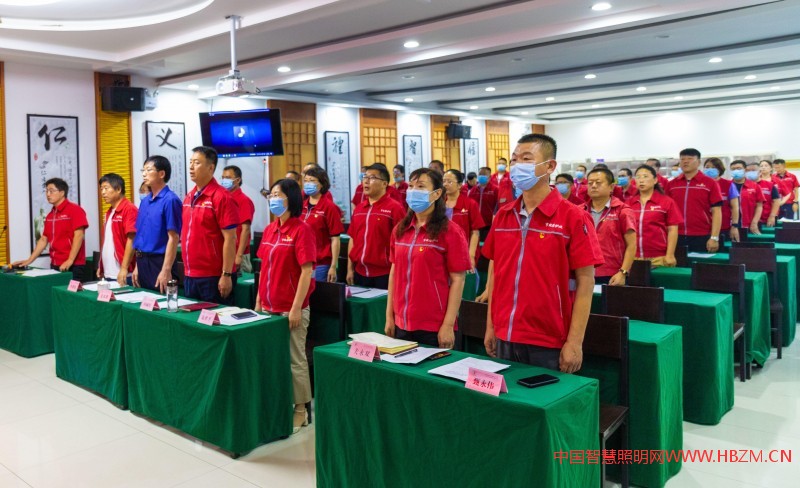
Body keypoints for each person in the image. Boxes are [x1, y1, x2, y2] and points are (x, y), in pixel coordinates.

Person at [483, 134, 603, 373]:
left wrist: (575, 342)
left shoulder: (573, 217)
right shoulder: (503, 216)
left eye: (527, 159)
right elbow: (496, 273)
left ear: (549, 166)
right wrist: (491, 325)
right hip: (505, 333)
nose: (517, 166)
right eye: (514, 160)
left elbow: (586, 281)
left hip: (548, 338)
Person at [254, 178, 316, 434]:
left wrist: (296, 307)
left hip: (290, 308)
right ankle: (278, 403)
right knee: (272, 358)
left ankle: (301, 410)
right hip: (268, 306)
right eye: (271, 194)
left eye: (278, 194)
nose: (273, 199)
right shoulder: (270, 229)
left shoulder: (302, 230)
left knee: (295, 359)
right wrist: (258, 300)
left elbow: (306, 272)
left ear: (291, 198)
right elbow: (264, 268)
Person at [385, 168, 471, 348]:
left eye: (421, 186)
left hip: (433, 325)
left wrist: (448, 325)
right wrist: (389, 316)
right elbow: (394, 273)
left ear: (437, 193)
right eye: (411, 186)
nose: (413, 191)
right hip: (401, 322)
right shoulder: (400, 230)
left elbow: (458, 280)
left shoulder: (451, 231)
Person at [181, 146, 240, 303]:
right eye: (190, 162)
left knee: (215, 317)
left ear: (211, 167)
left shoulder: (221, 197)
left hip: (214, 276)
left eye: (197, 163)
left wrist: (226, 274)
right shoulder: (189, 196)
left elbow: (230, 238)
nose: (191, 167)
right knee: (193, 318)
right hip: (190, 274)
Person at [12, 178, 89, 280]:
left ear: (62, 193)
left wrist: (70, 260)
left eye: (51, 191)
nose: (48, 194)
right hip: (55, 264)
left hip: (73, 265)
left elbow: (79, 236)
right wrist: (29, 261)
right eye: (47, 191)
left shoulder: (75, 210)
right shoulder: (50, 215)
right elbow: (44, 239)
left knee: (69, 291)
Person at [347, 163, 406, 289]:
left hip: (385, 274)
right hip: (359, 272)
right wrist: (349, 269)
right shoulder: (359, 209)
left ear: (384, 184)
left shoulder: (395, 208)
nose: (366, 181)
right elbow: (352, 239)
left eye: (372, 178)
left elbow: (402, 242)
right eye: (365, 177)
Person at [132, 156, 182, 292]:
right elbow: (141, 235)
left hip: (160, 262)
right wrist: (137, 265)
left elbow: (173, 237)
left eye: (149, 170)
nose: (144, 174)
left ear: (161, 174)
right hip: (142, 261)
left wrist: (166, 270)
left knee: (162, 302)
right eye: (143, 170)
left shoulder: (170, 200)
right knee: (144, 301)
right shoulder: (145, 201)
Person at [583, 168, 637, 285]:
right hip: (582, 273)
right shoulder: (579, 211)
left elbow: (632, 245)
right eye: (590, 183)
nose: (593, 186)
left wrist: (623, 272)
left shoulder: (623, 211)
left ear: (611, 187)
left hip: (612, 273)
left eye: (598, 182)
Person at [666, 148, 723, 253]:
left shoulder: (710, 183)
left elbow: (717, 211)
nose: (685, 161)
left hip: (702, 235)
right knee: (677, 263)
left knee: (700, 263)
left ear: (699, 162)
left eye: (690, 159)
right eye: (682, 159)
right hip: (675, 235)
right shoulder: (671, 185)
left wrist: (714, 237)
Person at [628, 165, 683, 268]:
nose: (641, 180)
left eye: (645, 176)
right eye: (638, 177)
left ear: (655, 180)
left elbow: (673, 230)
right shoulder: (629, 203)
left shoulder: (666, 202)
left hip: (658, 257)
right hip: (632, 257)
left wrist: (670, 254)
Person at [302, 166, 345, 282]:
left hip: (321, 264)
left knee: (318, 293)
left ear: (322, 184)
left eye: (312, 181)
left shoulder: (329, 207)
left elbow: (335, 239)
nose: (307, 184)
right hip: (302, 262)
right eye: (305, 181)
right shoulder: (301, 206)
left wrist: (333, 266)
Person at [97, 173, 137, 286]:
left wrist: (124, 268)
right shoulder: (109, 212)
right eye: (101, 189)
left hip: (124, 274)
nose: (103, 192)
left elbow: (132, 239)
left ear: (118, 189)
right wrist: (101, 266)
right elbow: (107, 242)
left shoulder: (129, 209)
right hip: (109, 273)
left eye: (106, 188)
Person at [443, 169, 485, 270]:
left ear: (459, 185)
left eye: (449, 181)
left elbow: (475, 232)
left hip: (462, 251)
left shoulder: (470, 204)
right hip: (442, 250)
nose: (445, 184)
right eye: (443, 181)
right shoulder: (438, 204)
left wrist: (471, 255)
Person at [221, 165, 256, 274]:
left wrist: (239, 256)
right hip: (225, 250)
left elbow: (246, 229)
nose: (224, 180)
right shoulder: (224, 198)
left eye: (227, 178)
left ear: (238, 180)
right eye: (223, 177)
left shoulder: (244, 200)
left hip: (238, 253)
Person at [703, 157, 741, 243]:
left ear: (720, 169)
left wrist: (734, 226)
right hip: (703, 227)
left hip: (723, 227)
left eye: (713, 167)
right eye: (707, 167)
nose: (709, 169)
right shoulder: (700, 185)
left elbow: (735, 207)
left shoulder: (728, 184)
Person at [730, 160, 764, 235]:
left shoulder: (755, 186)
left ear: (745, 170)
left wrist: (754, 222)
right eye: (733, 169)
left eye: (739, 168)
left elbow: (759, 206)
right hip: (730, 226)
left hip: (749, 225)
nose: (736, 171)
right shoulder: (727, 186)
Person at [755, 160, 783, 228]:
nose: (763, 167)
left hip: (769, 213)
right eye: (761, 166)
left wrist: (780, 203)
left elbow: (784, 195)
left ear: (771, 168)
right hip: (753, 215)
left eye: (766, 166)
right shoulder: (752, 182)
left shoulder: (774, 182)